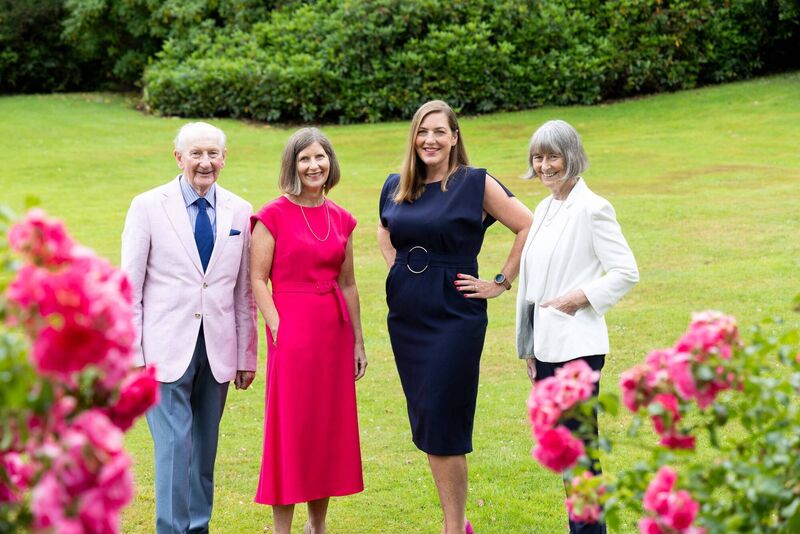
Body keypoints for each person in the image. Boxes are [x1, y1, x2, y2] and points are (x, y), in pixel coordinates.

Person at [377, 100, 532, 534]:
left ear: (454, 137)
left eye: (440, 132)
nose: (430, 139)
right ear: (414, 137)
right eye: (423, 131)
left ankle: (453, 526)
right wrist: (396, 270)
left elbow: (528, 225)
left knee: (445, 418)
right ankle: (457, 522)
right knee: (427, 415)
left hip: (454, 313)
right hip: (407, 314)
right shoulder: (395, 184)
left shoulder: (474, 183)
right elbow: (385, 228)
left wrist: (500, 281)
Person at [121, 121, 258, 534]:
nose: (205, 162)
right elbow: (129, 285)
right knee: (174, 447)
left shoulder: (240, 210)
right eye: (196, 154)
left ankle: (198, 527)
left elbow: (242, 292)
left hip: (217, 350)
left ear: (224, 159)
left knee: (204, 452)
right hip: (162, 349)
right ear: (178, 157)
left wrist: (246, 355)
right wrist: (132, 353)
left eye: (213, 154)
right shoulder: (147, 206)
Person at [515, 120, 639, 534]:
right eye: (539, 157)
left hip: (577, 350)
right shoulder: (545, 208)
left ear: (572, 156)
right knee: (565, 452)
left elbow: (625, 271)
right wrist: (528, 347)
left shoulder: (593, 207)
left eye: (553, 156)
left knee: (580, 455)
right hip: (546, 350)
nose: (546, 165)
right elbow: (531, 286)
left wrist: (578, 296)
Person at [250, 127, 366, 534]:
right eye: (305, 159)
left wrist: (357, 341)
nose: (314, 165)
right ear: (292, 165)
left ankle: (317, 526)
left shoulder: (342, 219)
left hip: (333, 333)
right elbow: (257, 279)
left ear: (330, 163)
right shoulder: (271, 216)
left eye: (320, 157)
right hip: (292, 330)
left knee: (324, 432)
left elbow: (348, 283)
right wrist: (278, 325)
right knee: (290, 430)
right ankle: (283, 530)